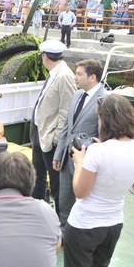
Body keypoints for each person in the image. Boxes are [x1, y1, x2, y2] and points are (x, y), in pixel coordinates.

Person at [64, 94, 134, 267]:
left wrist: (79, 162)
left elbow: (80, 192)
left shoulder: (97, 152)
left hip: (85, 226)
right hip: (113, 223)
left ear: (106, 119)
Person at [52, 59, 107, 232]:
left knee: (84, 200)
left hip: (87, 161)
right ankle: (63, 232)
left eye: (79, 74)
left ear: (92, 77)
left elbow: (104, 135)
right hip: (68, 157)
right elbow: (67, 127)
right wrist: (58, 153)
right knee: (64, 198)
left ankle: (80, 234)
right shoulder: (76, 95)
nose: (75, 77)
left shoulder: (104, 100)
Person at [30, 39, 76, 214]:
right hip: (40, 133)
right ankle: (37, 213)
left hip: (50, 138)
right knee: (37, 176)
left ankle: (59, 221)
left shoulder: (64, 76)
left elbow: (66, 111)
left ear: (45, 56)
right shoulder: (55, 72)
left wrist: (56, 139)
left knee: (56, 183)